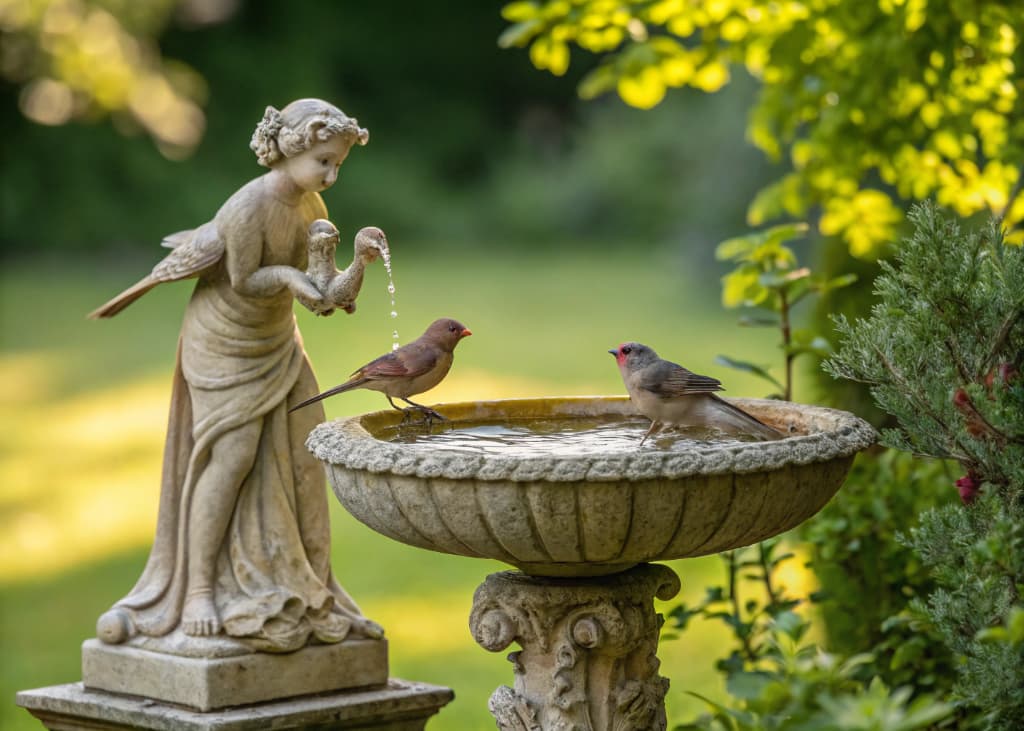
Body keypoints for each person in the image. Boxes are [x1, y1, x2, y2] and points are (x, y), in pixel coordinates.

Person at [95, 99, 382, 653]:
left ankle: (307, 583)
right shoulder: (249, 206)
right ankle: (200, 589)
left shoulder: (310, 202)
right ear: (292, 149)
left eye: (338, 164)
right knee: (232, 455)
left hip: (275, 338)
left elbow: (316, 280)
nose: (331, 174)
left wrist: (344, 278)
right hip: (226, 341)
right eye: (324, 160)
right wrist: (297, 282)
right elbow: (247, 279)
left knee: (305, 448)